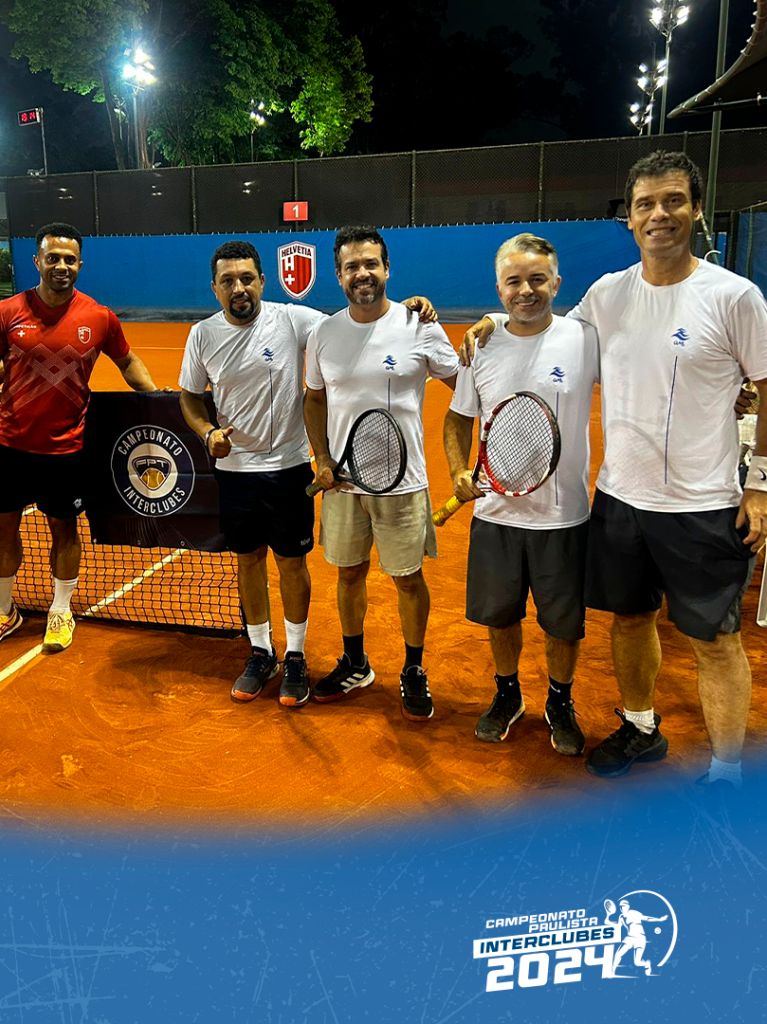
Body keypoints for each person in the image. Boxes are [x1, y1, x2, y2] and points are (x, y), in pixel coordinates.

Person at [459, 152, 767, 790]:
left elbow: (765, 386)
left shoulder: (735, 296)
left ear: (697, 209)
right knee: (630, 620)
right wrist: (492, 321)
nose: (659, 215)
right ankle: (641, 726)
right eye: (645, 204)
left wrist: (760, 484)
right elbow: (540, 329)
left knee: (716, 642)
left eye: (674, 200)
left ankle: (727, 773)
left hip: (704, 503)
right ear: (628, 217)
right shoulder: (606, 295)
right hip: (620, 498)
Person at [179, 240, 438, 707]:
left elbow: (360, 319)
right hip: (235, 470)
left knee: (291, 563)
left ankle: (295, 656)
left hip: (290, 466)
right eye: (227, 281)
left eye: (247, 278)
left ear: (262, 281)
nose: (239, 288)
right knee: (248, 561)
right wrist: (206, 431)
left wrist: (408, 308)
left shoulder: (295, 320)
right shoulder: (202, 335)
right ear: (213, 288)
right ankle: (261, 652)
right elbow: (190, 397)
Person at [0, 221, 160, 656]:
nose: (61, 266)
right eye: (52, 258)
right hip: (9, 444)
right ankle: (0, 611)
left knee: (63, 529)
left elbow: (129, 363)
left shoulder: (99, 317)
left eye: (70, 259)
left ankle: (61, 609)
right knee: (0, 528)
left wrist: (161, 404)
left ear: (80, 265)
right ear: (37, 261)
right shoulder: (5, 312)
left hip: (66, 449)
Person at [443, 234, 598, 755]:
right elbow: (458, 419)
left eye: (537, 280)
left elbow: (644, 376)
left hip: (563, 516)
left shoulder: (584, 338)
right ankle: (507, 693)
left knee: (562, 624)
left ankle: (560, 700)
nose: (526, 291)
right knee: (501, 616)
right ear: (499, 289)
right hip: (496, 513)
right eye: (514, 282)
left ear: (557, 283)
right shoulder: (481, 347)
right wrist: (457, 470)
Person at [304, 226, 458, 719]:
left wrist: (492, 325)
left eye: (371, 263)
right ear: (338, 275)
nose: (362, 273)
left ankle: (413, 668)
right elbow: (314, 399)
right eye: (352, 266)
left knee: (407, 578)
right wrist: (322, 458)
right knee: (348, 574)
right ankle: (355, 662)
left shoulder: (418, 325)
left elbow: (465, 386)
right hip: (344, 485)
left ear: (387, 269)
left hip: (402, 483)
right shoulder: (324, 333)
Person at [612, 900, 668, 977]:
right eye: (621, 907)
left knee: (637, 962)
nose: (622, 908)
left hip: (640, 938)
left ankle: (646, 964)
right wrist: (608, 922)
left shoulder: (634, 913)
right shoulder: (621, 917)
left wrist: (659, 919)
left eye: (623, 906)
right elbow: (618, 927)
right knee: (617, 954)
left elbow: (647, 918)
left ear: (628, 907)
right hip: (629, 938)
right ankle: (612, 972)